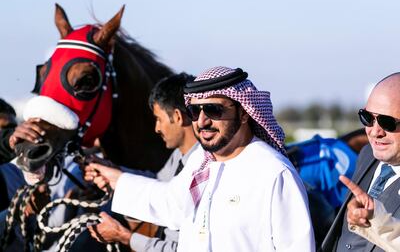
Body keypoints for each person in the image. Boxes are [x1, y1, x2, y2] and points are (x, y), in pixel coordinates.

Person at [85, 66, 315, 251]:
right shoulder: (202, 163)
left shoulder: (273, 172)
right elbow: (170, 204)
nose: (202, 121)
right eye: (195, 112)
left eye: (213, 110)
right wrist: (116, 178)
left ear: (244, 112)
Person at [88, 73, 199, 251]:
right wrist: (114, 172)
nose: (157, 128)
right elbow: (157, 183)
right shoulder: (179, 156)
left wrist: (124, 236)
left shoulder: (203, 169)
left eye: (159, 119)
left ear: (178, 116)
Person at [322, 73, 400, 251]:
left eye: (387, 122)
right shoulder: (367, 155)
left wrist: (377, 221)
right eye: (367, 118)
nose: (374, 132)